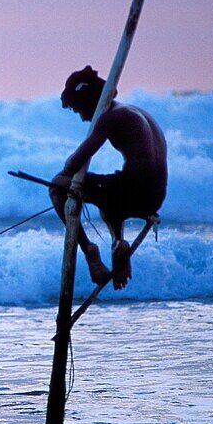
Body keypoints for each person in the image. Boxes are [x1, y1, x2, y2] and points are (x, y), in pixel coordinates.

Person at [50, 66, 167, 290]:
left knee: (56, 185)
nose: (82, 117)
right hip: (155, 196)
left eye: (78, 109)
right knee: (108, 196)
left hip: (134, 193)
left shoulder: (110, 117)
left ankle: (89, 250)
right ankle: (117, 242)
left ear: (88, 99)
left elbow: (74, 163)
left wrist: (67, 168)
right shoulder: (135, 112)